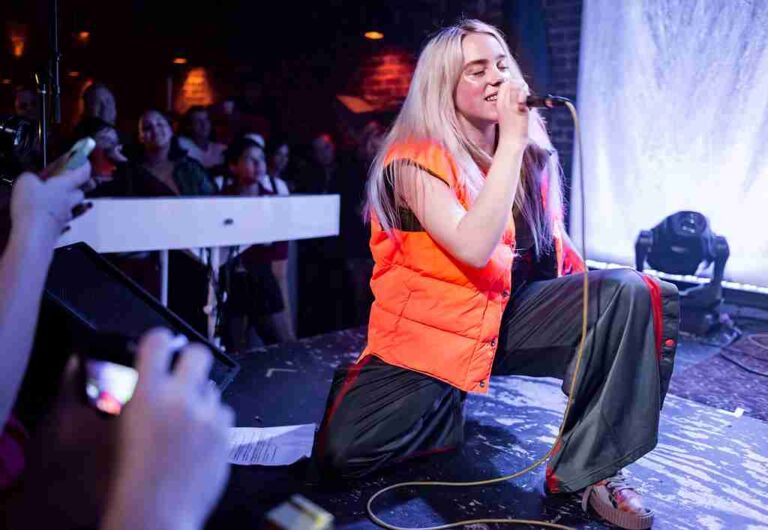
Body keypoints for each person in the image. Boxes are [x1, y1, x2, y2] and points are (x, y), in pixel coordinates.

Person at [312, 20, 679, 530]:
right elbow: (473, 245)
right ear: (443, 88)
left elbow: (552, 246)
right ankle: (438, 405)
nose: (496, 79)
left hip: (503, 322)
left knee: (631, 292)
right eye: (477, 70)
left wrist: (601, 316)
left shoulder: (530, 157)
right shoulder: (412, 162)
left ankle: (593, 470)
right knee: (340, 457)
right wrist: (511, 145)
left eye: (503, 65)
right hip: (431, 337)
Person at [219, 136, 294, 349]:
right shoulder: (220, 200)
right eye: (249, 158)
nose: (258, 163)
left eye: (260, 158)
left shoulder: (274, 201)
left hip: (263, 281)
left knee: (282, 345)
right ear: (233, 166)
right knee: (234, 349)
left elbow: (279, 262)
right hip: (231, 282)